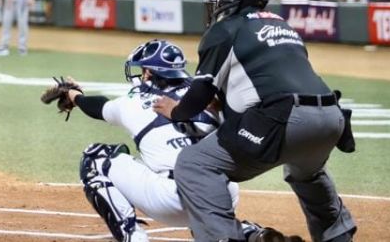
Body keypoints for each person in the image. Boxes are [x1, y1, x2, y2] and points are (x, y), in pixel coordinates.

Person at [153, 0, 356, 242]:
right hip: (332, 118)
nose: (218, 1)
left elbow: (200, 92)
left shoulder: (224, 29)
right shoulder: (283, 26)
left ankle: (226, 238)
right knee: (307, 172)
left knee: (193, 163)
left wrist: (176, 111)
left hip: (283, 118)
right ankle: (338, 235)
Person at [58, 40, 285, 242]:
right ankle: (247, 233)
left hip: (170, 199)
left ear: (149, 73)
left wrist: (74, 95)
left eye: (143, 70)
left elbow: (97, 107)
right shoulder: (209, 98)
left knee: (95, 156)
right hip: (223, 193)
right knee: (207, 218)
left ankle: (132, 236)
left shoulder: (134, 102)